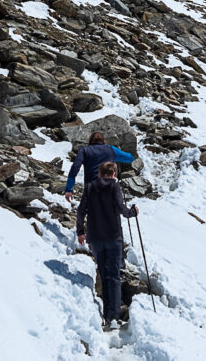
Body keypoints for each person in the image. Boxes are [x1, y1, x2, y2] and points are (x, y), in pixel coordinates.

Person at [77, 161, 138, 326]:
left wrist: (80, 231)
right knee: (114, 276)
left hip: (95, 238)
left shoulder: (90, 187)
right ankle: (114, 316)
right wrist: (132, 213)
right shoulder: (114, 187)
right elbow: (120, 207)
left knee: (104, 276)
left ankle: (105, 314)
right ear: (114, 174)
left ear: (99, 174)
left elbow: (81, 210)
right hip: (113, 237)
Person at [64, 133, 135, 202]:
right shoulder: (112, 150)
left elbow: (75, 168)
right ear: (103, 141)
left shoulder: (84, 151)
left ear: (90, 142)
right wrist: (119, 151)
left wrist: (69, 189)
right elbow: (130, 158)